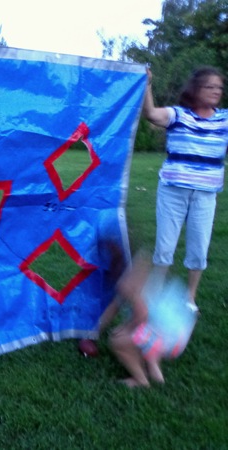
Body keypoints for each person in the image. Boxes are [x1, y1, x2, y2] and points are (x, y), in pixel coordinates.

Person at [143, 66, 228, 308]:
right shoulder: (178, 115)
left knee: (199, 249)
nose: (216, 91)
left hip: (205, 196)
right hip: (173, 192)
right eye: (210, 86)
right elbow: (151, 114)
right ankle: (154, 294)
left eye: (219, 87)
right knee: (164, 247)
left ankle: (190, 297)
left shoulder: (225, 119)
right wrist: (147, 85)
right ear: (196, 89)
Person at [108, 252, 197, 388]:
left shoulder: (129, 284)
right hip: (176, 333)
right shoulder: (142, 272)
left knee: (117, 341)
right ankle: (155, 373)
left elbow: (142, 314)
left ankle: (141, 380)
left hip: (167, 337)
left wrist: (126, 328)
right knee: (149, 335)